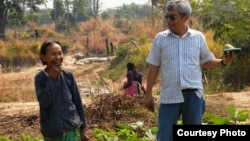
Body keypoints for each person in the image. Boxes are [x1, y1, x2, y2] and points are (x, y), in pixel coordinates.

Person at [143, 0, 235, 141]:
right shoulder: (160, 39)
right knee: (164, 137)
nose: (168, 20)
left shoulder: (197, 38)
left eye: (172, 17)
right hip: (169, 96)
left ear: (185, 18)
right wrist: (148, 93)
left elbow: (207, 61)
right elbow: (154, 67)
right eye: (166, 16)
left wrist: (223, 62)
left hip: (193, 96)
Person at [34, 40, 89, 141]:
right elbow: (45, 102)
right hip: (53, 131)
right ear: (43, 57)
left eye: (60, 53)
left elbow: (77, 102)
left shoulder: (68, 75)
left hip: (72, 128)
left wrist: (84, 127)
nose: (58, 57)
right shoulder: (40, 78)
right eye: (53, 54)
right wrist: (52, 79)